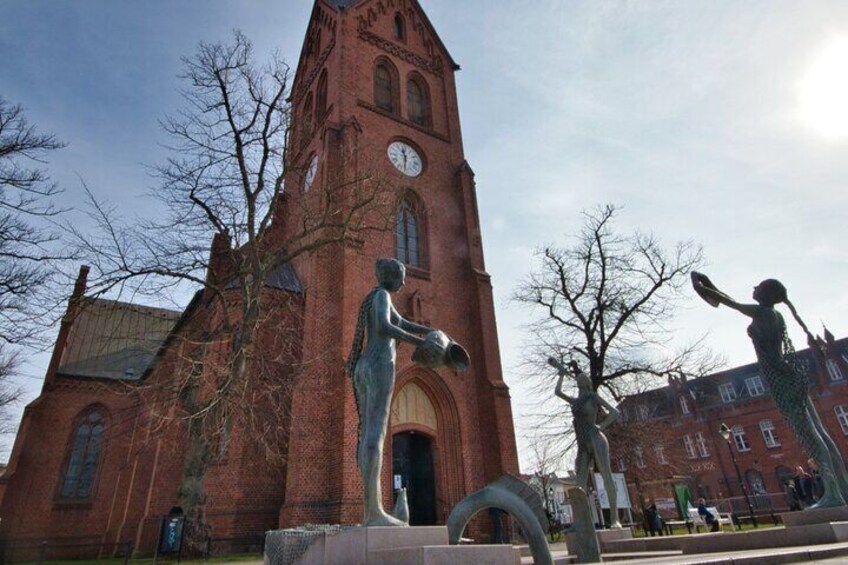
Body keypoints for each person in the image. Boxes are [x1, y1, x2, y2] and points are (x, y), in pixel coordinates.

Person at [692, 274, 848, 508]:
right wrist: (711, 289)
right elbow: (731, 301)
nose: (754, 287)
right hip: (789, 374)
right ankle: (842, 489)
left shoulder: (764, 313)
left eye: (759, 286)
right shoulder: (775, 315)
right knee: (820, 433)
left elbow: (731, 303)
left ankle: (834, 494)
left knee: (810, 435)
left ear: (766, 295)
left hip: (780, 376)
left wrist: (702, 286)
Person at [346, 258, 436, 526]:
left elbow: (404, 324)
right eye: (402, 276)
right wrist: (422, 343)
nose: (405, 282)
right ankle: (374, 512)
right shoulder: (383, 295)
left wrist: (431, 332)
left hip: (364, 366)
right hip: (380, 364)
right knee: (376, 433)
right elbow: (386, 327)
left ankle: (370, 510)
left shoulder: (376, 296)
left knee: (370, 433)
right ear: (391, 276)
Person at [548, 357, 622, 528]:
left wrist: (601, 426)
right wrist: (560, 374)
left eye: (583, 379)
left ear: (586, 383)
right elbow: (558, 392)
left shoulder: (593, 397)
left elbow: (614, 412)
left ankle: (614, 519)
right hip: (583, 443)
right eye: (579, 380)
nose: (580, 381)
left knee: (606, 476)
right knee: (579, 483)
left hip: (596, 439)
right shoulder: (576, 401)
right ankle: (582, 522)